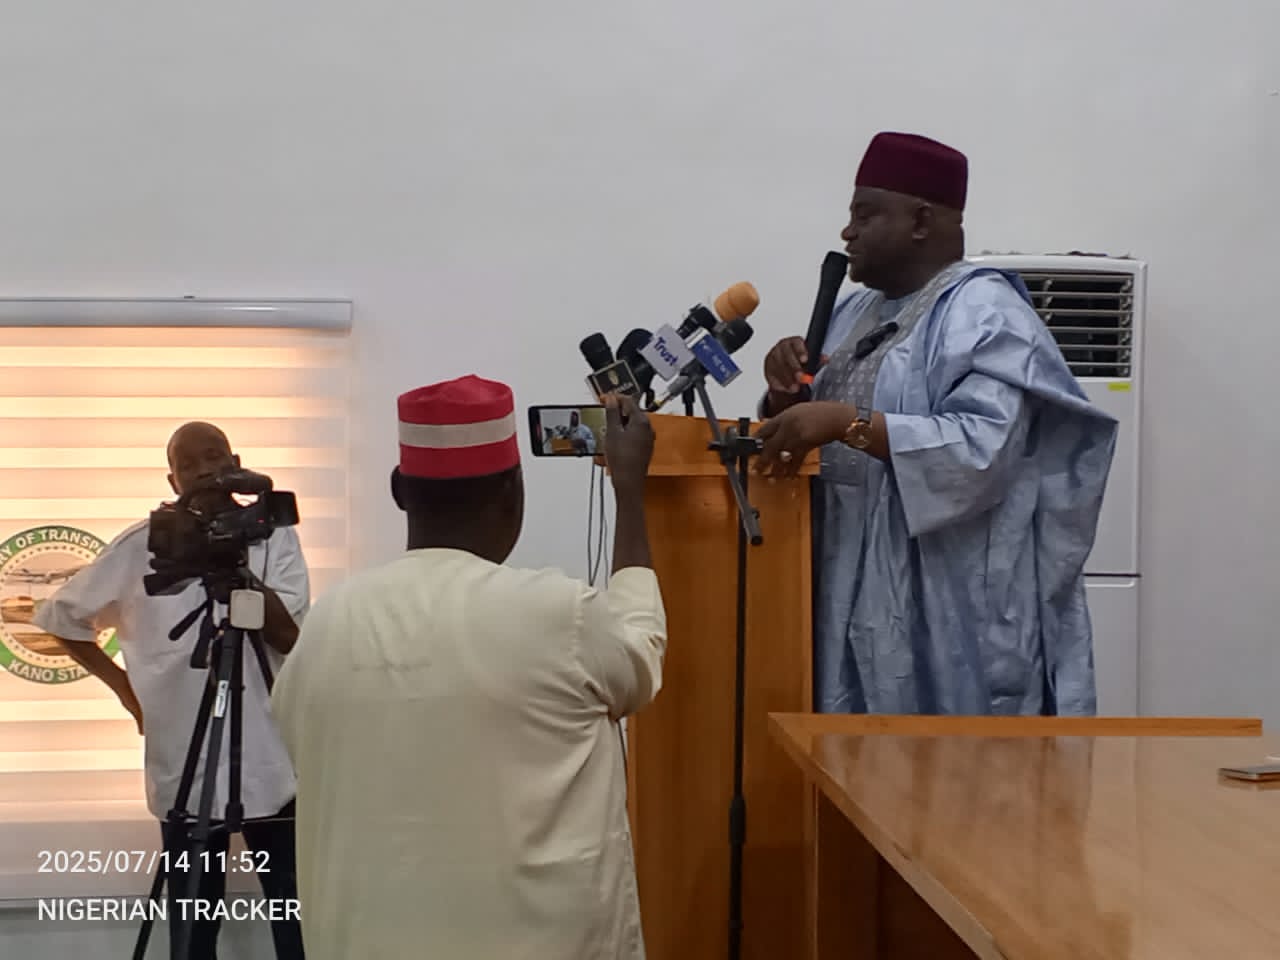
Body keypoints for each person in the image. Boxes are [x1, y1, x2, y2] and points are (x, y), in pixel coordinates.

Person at [271, 376, 665, 959]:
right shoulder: (558, 614)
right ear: (513, 491)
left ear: (399, 492)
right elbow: (642, 651)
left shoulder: (329, 622)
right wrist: (630, 494)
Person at [755, 131, 1117, 717]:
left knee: (942, 766)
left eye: (865, 215)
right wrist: (781, 397)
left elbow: (980, 452)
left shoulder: (986, 314)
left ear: (921, 220)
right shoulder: (853, 312)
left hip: (945, 602)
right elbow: (816, 426)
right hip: (845, 582)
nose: (847, 232)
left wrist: (848, 423)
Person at [34, 421, 309, 960]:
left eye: (214, 457)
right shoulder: (143, 546)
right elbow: (60, 618)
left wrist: (234, 570)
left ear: (236, 463)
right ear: (172, 480)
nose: (205, 470)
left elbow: (289, 637)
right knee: (191, 931)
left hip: (274, 761)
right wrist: (125, 692)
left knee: (295, 918)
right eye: (189, 464)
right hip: (185, 762)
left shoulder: (273, 535)